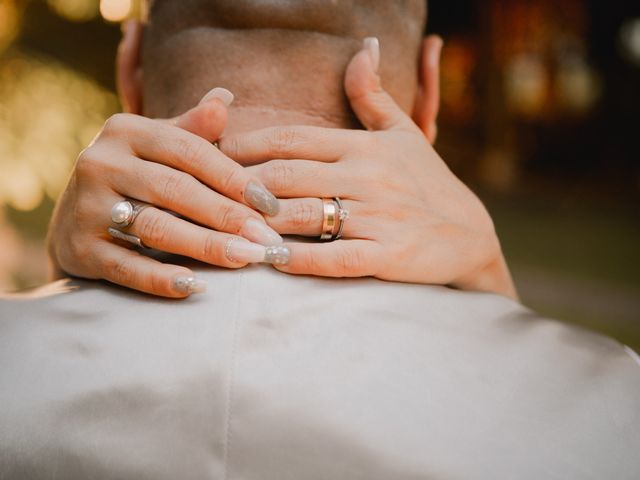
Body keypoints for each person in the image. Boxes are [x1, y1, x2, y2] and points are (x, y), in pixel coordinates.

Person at [1, 1, 639, 478]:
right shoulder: (611, 415)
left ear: (129, 68)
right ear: (429, 89)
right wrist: (499, 297)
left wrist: (52, 288)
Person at [47, 0, 517, 300]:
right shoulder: (577, 388)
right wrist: (492, 278)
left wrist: (60, 277)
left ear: (129, 70)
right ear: (429, 92)